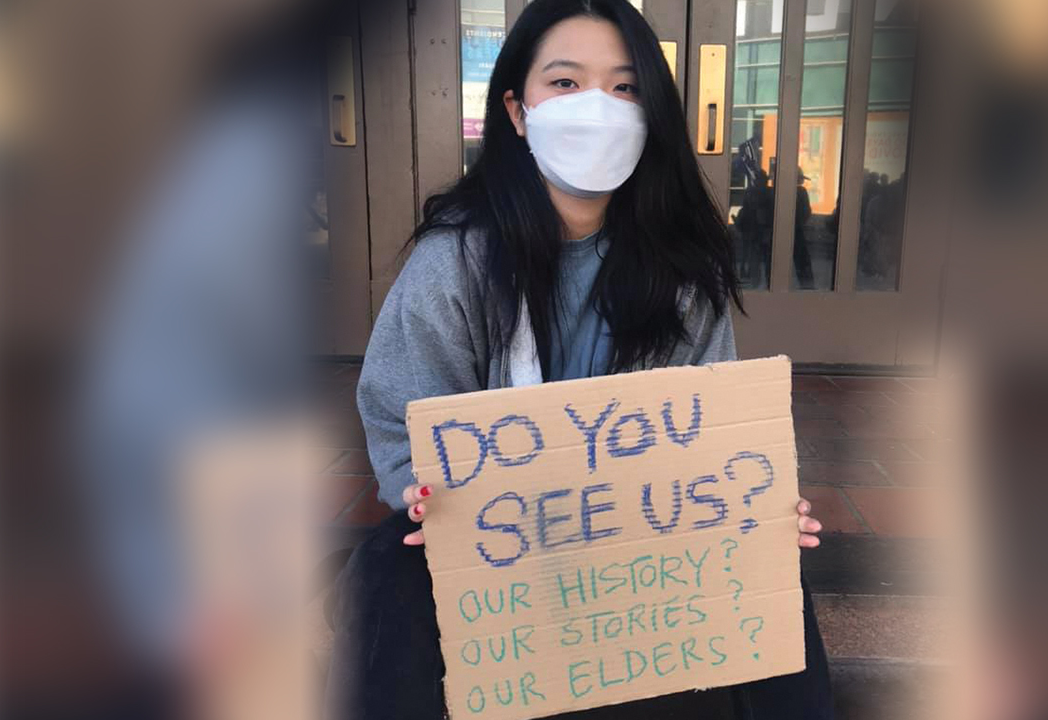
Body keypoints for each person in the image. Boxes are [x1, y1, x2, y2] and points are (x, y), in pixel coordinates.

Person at [326, 2, 833, 718]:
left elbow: (710, 435)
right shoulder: (455, 262)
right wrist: (426, 495)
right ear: (517, 108)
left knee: (774, 569)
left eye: (625, 88)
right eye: (565, 83)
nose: (598, 108)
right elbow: (406, 423)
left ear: (650, 112)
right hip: (498, 538)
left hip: (638, 534)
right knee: (393, 570)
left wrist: (756, 508)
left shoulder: (683, 272)